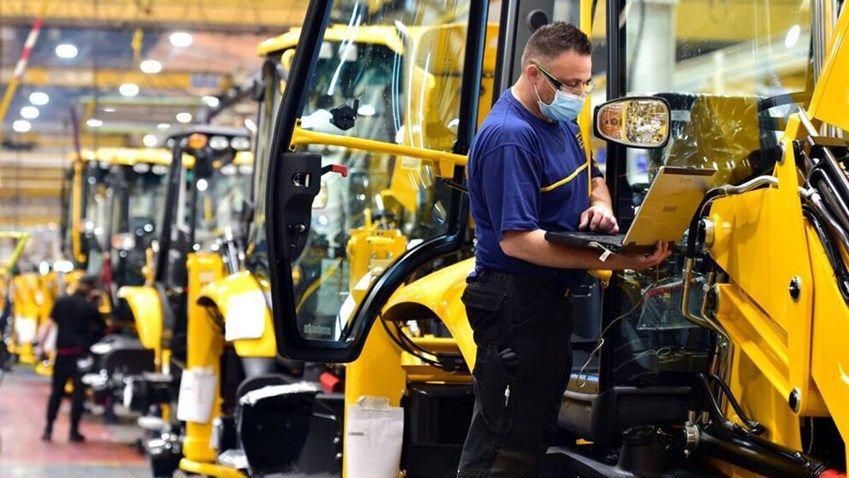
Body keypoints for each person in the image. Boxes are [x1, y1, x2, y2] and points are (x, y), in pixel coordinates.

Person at [457, 22, 671, 477]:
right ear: (534, 74)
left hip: (549, 304)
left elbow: (594, 175)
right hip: (515, 303)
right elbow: (518, 242)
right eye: (569, 83)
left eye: (585, 81)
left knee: (532, 436)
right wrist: (614, 259)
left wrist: (601, 207)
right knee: (504, 447)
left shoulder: (563, 120)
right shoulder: (510, 137)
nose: (579, 92)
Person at [40, 275, 105, 442]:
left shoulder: (61, 302)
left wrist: (40, 347)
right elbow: (102, 328)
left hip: (62, 354)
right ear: (90, 288)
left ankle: (48, 429)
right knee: (78, 395)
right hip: (80, 356)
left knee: (56, 393)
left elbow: (48, 325)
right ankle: (73, 431)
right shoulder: (88, 307)